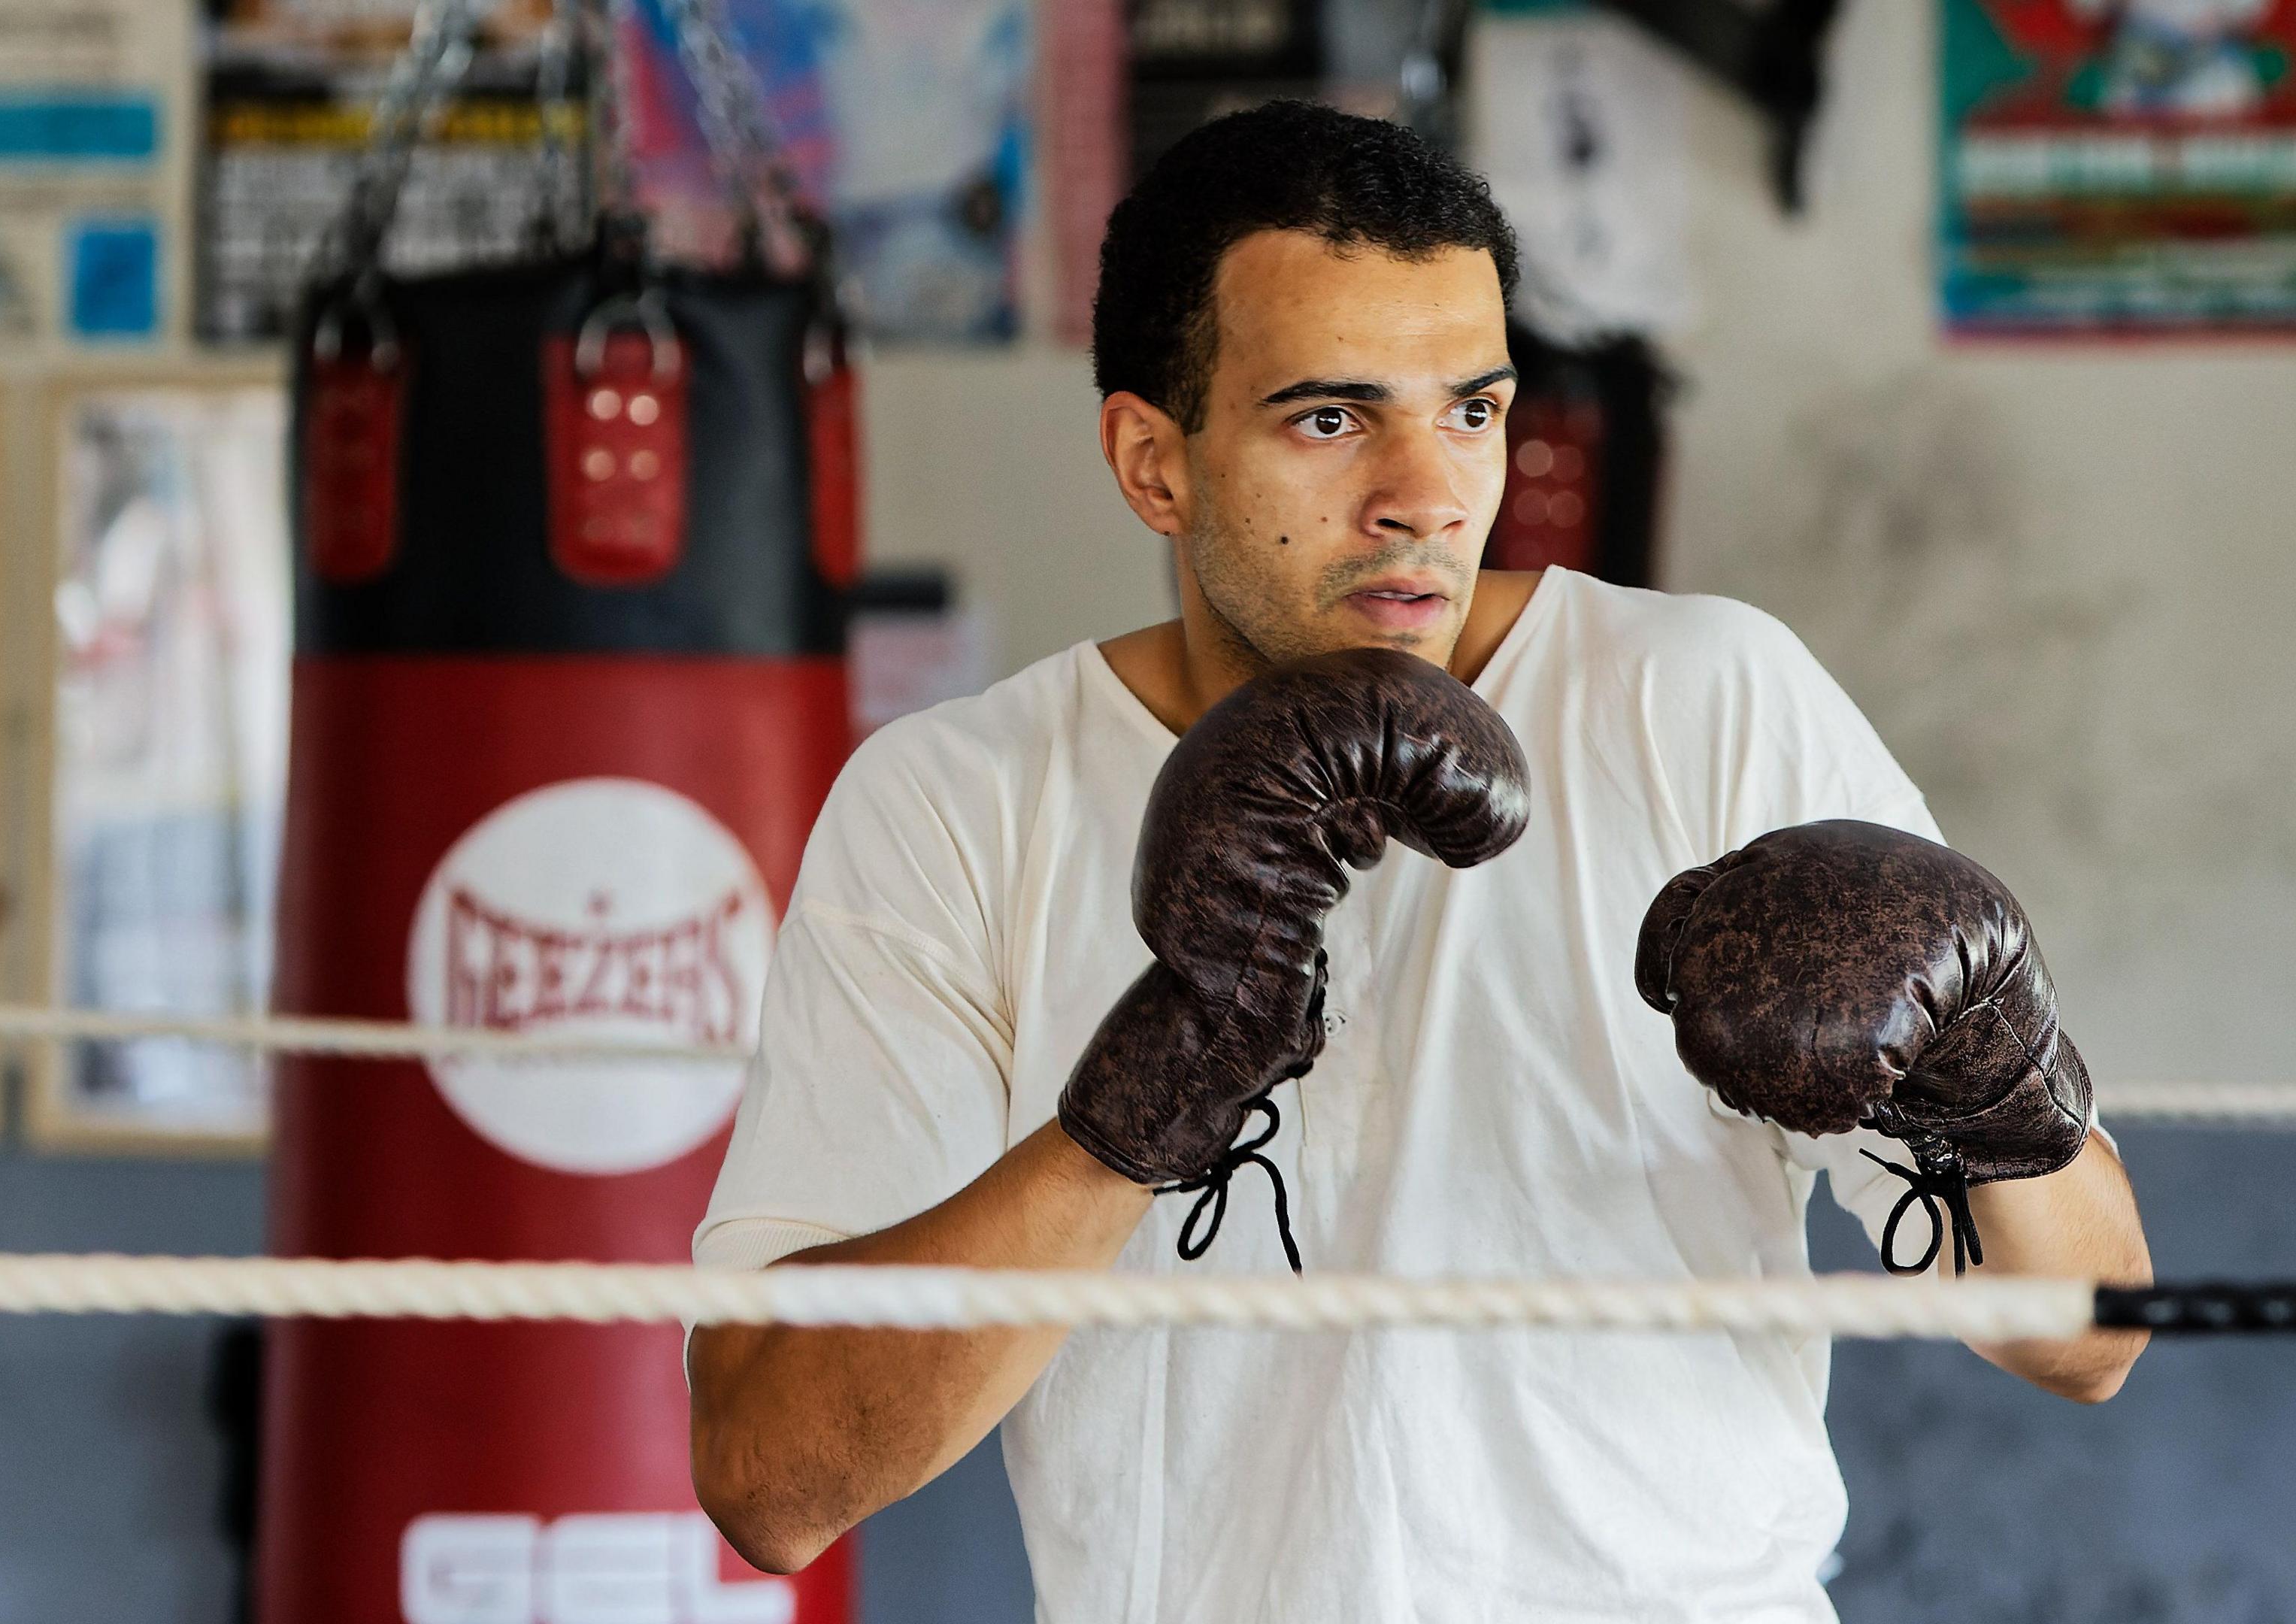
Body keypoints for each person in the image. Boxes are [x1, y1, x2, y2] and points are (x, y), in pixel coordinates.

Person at [689, 101, 2151, 1618]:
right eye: (1331, 418)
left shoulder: (1702, 703)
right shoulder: (955, 802)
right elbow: (773, 1481)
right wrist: (1152, 1090)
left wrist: (1994, 1081)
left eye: (1472, 409)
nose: (1428, 492)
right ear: (1153, 461)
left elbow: (2089, 1338)